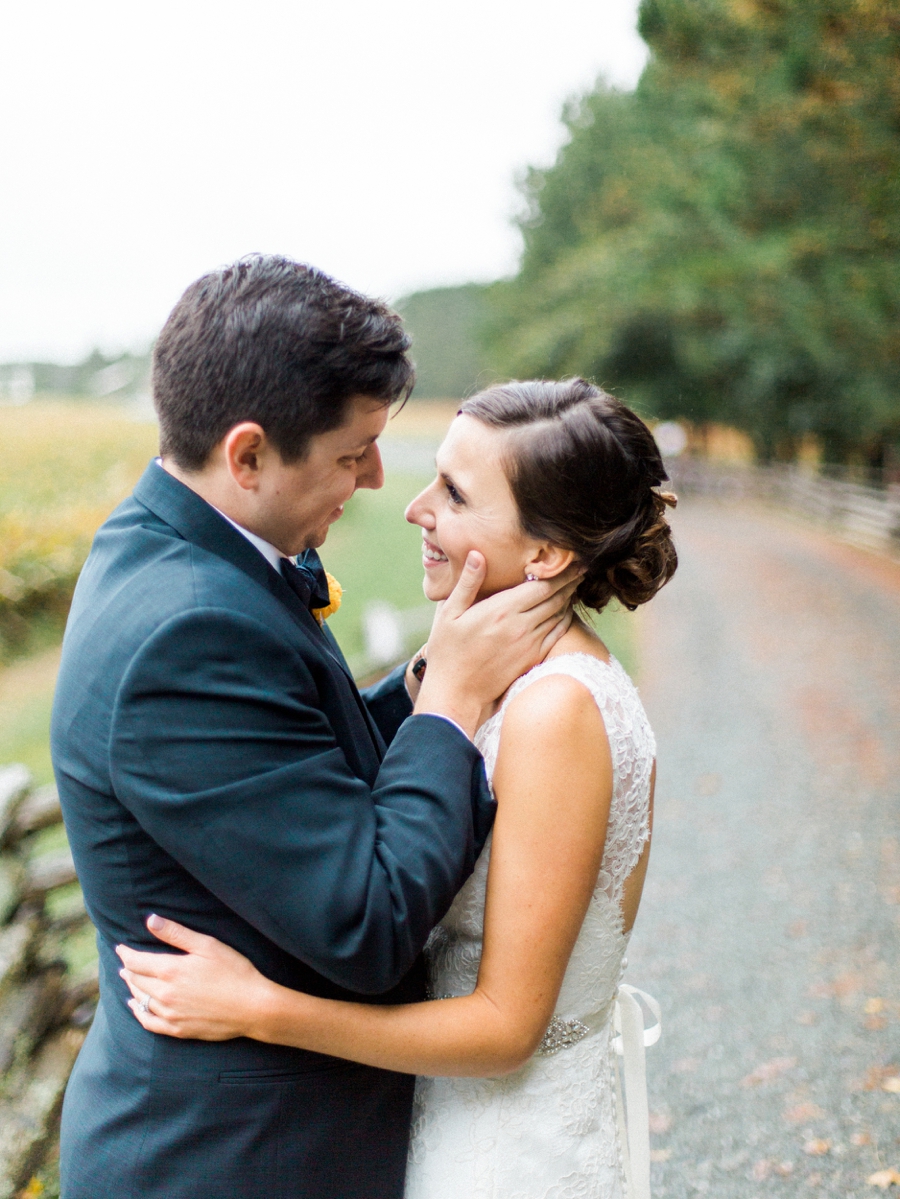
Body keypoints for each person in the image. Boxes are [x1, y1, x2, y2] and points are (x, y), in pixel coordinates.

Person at [50, 258, 579, 1199]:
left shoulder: (171, 546)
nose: (378, 478)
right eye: (352, 451)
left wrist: (424, 678)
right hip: (232, 1159)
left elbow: (295, 751)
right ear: (247, 454)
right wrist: (452, 704)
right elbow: (366, 920)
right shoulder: (188, 629)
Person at [117, 377, 678, 1199]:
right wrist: (438, 675)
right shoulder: (507, 683)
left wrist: (258, 1006)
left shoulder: (556, 710)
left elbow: (505, 1027)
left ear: (548, 554)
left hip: (506, 1153)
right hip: (453, 1122)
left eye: (454, 493)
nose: (416, 507)